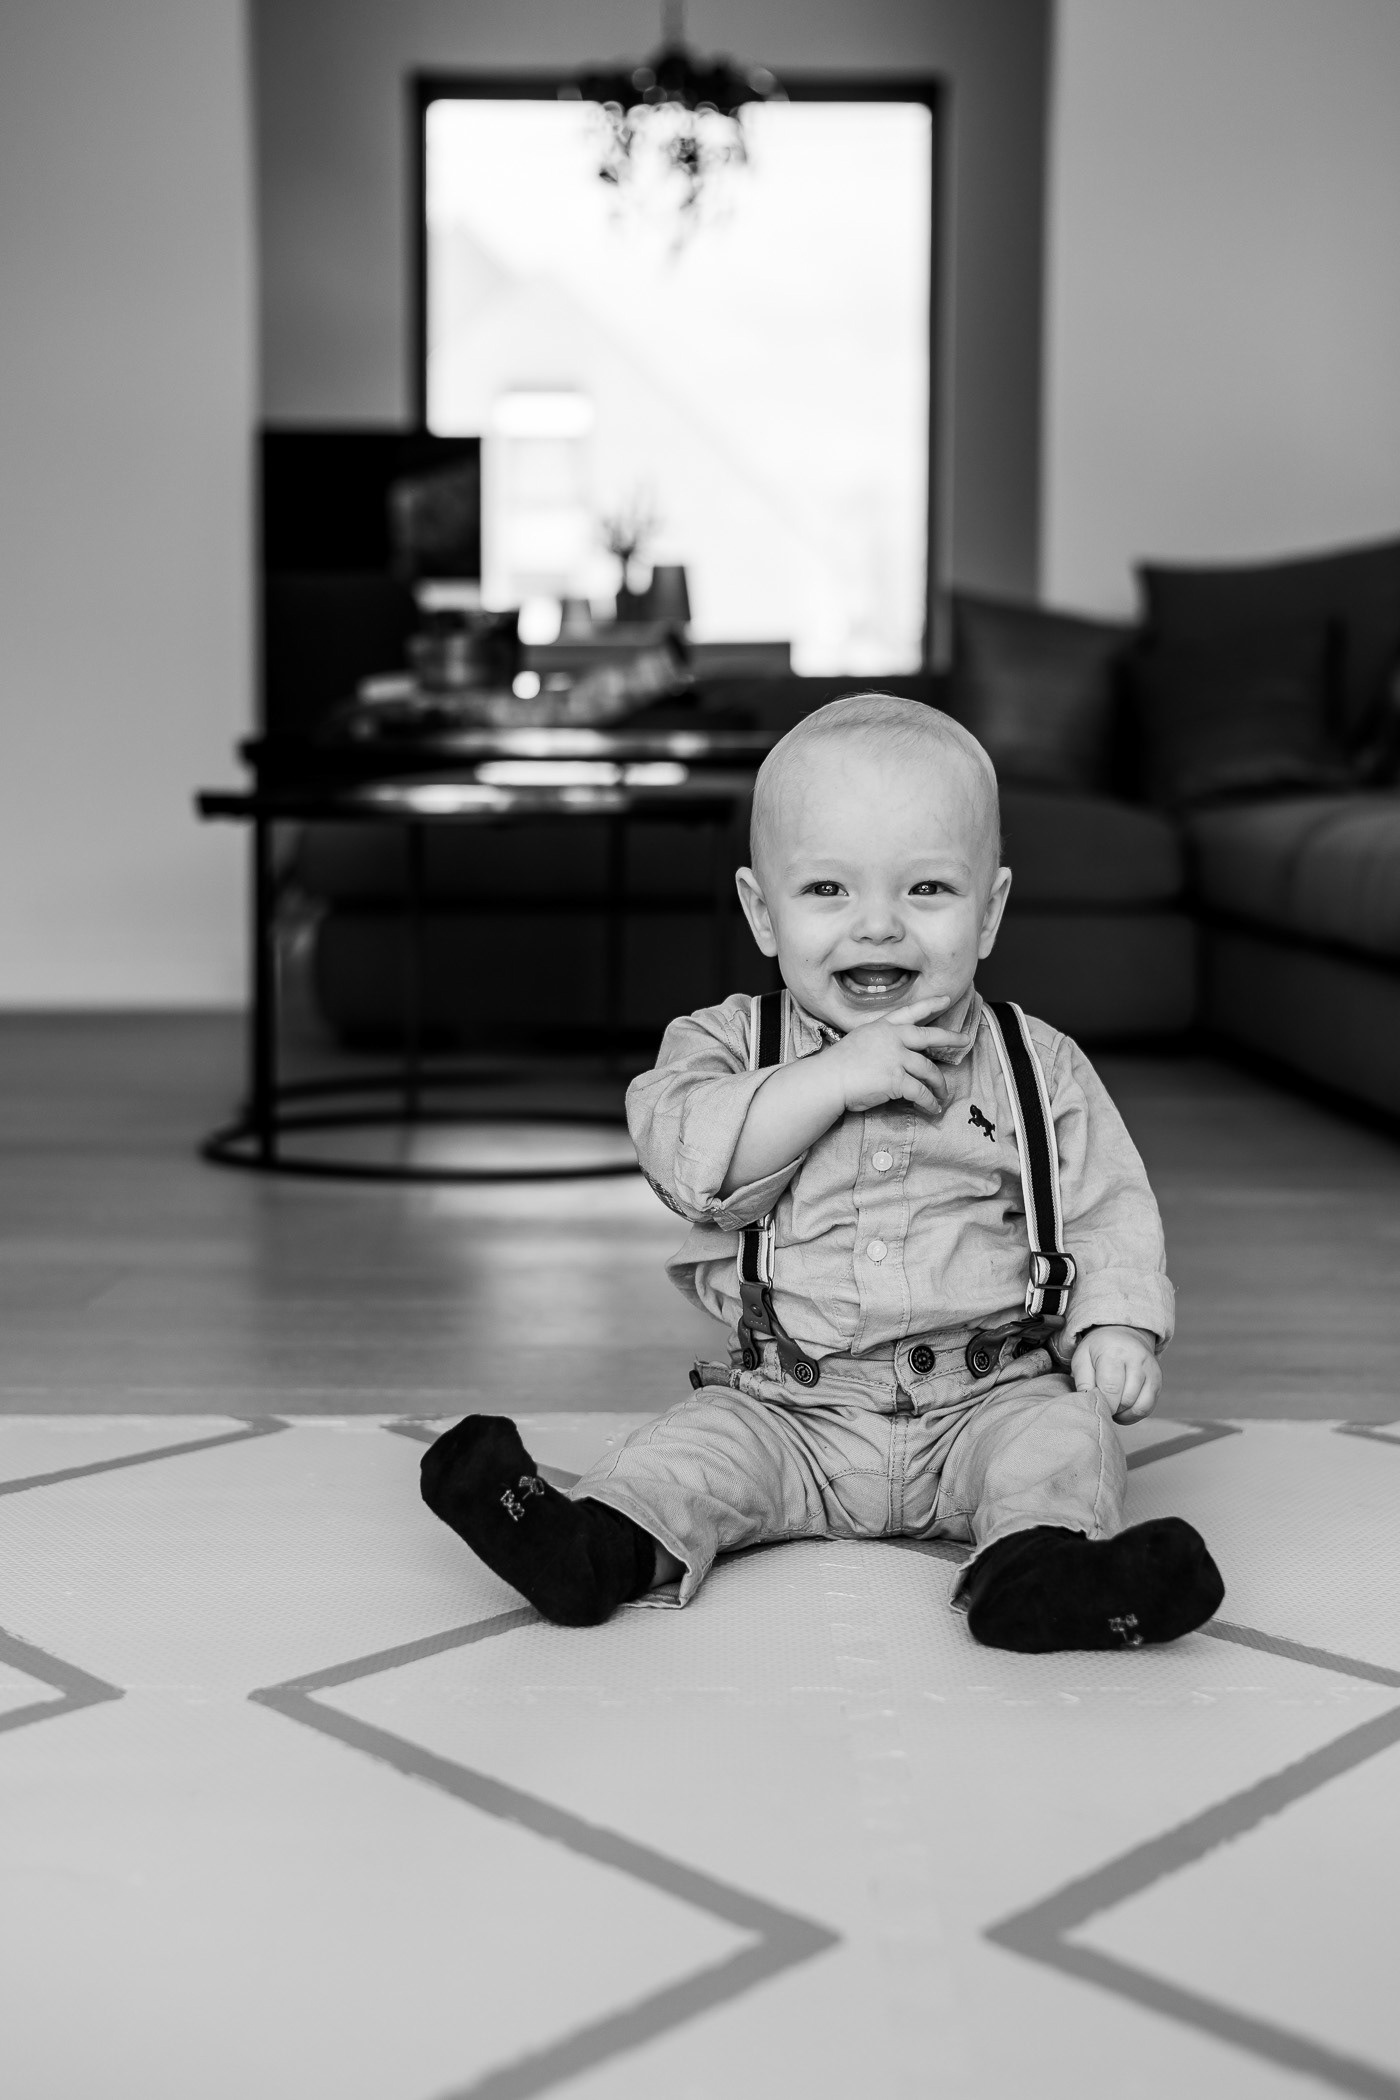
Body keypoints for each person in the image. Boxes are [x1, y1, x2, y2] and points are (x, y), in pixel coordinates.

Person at [420, 694, 1224, 1652]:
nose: (877, 926)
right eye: (829, 890)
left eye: (927, 889)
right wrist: (832, 1078)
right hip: (788, 1410)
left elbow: (1106, 1208)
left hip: (988, 1399)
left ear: (990, 911)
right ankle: (589, 1548)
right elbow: (687, 1157)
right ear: (763, 912)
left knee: (1066, 1442)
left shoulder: (1036, 1066)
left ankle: (1039, 1571)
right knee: (689, 1457)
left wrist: (1117, 1325)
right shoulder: (726, 1045)